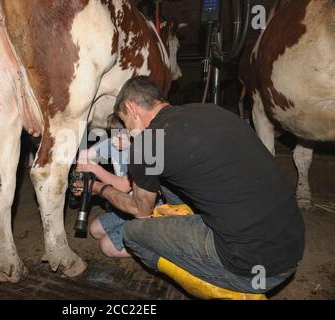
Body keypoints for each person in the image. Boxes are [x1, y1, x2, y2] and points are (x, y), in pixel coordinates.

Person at [86, 76, 305, 294]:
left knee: (133, 233)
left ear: (132, 108)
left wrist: (99, 189)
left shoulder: (147, 145)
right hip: (291, 248)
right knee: (165, 180)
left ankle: (220, 284)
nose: (128, 131)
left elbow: (140, 210)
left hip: (249, 268)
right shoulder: (210, 111)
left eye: (126, 123)